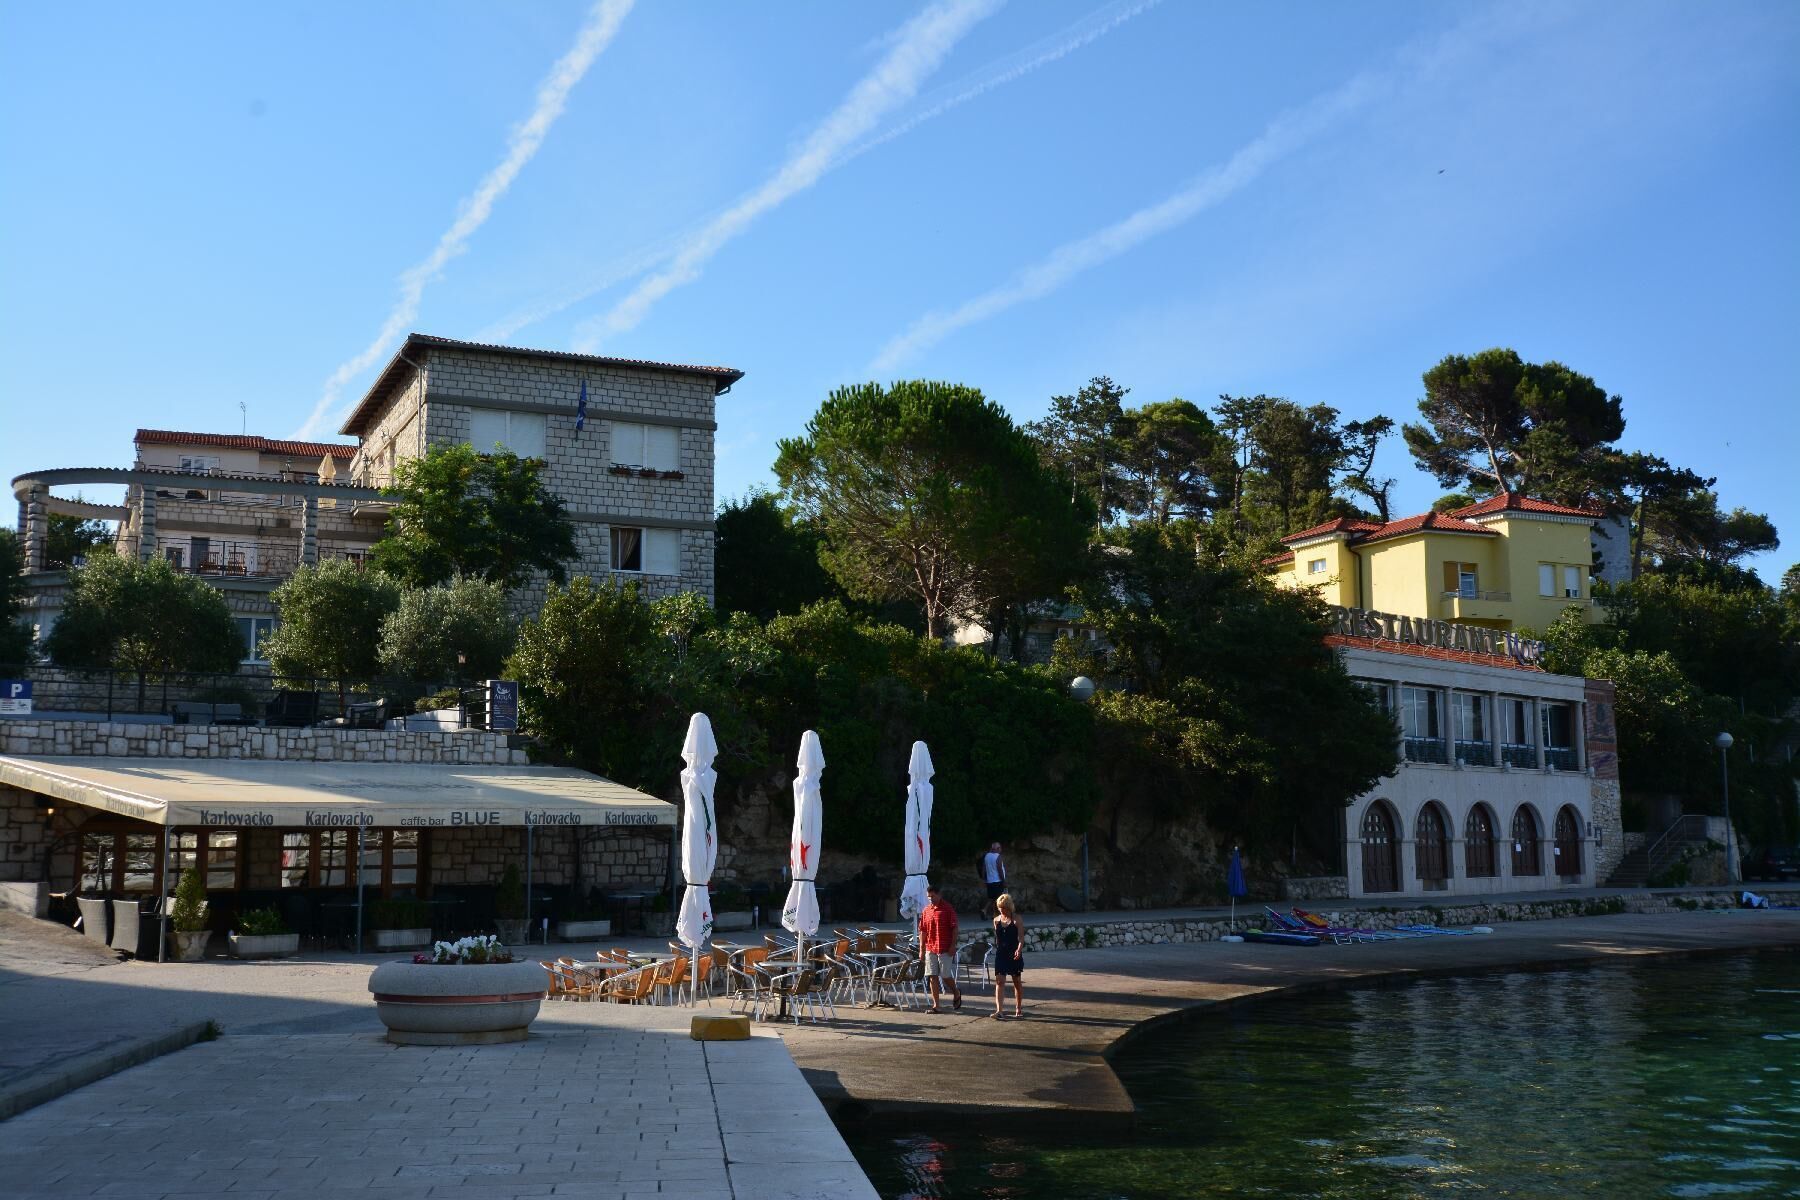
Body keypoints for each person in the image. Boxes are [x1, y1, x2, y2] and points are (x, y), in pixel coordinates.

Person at [918, 882, 962, 1014]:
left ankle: (956, 991)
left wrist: (953, 946)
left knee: (945, 975)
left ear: (939, 895)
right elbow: (922, 931)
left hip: (945, 947)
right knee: (932, 976)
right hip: (930, 947)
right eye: (928, 897)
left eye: (933, 896)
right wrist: (921, 949)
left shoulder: (948, 909)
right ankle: (936, 1005)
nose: (931, 899)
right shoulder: (926, 910)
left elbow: (954, 928)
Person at [991, 892, 1024, 1019]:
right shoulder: (996, 920)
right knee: (999, 981)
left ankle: (1018, 1008)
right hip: (1001, 953)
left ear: (1009, 907)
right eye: (1000, 907)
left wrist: (1019, 950)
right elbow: (998, 938)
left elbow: (1021, 938)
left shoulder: (1017, 919)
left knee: (1017, 982)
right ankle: (999, 1011)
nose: (1001, 910)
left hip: (1014, 952)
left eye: (1004, 907)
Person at [980, 841, 1007, 915]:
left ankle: (993, 913)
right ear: (997, 849)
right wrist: (1003, 880)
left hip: (989, 881)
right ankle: (985, 910)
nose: (1000, 849)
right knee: (998, 898)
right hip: (997, 880)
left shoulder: (987, 856)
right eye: (1000, 848)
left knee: (992, 897)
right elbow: (1000, 869)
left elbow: (984, 868)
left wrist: (983, 879)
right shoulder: (998, 857)